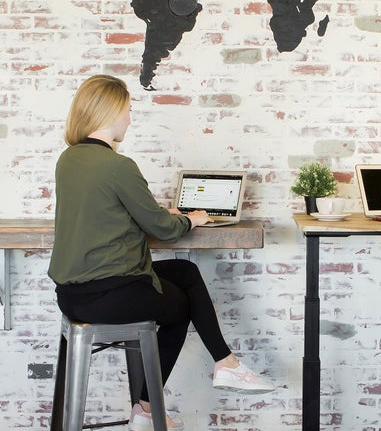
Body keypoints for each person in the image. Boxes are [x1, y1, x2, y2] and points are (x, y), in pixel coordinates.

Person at [48, 74, 275, 431]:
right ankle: (148, 406)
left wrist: (155, 214)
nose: (129, 119)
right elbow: (164, 230)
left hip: (72, 296)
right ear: (108, 113)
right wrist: (191, 219)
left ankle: (224, 363)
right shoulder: (119, 166)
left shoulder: (69, 160)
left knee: (184, 274)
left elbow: (105, 211)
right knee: (180, 306)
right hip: (109, 293)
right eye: (126, 111)